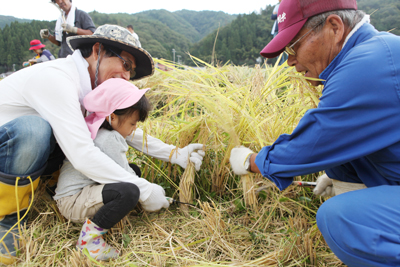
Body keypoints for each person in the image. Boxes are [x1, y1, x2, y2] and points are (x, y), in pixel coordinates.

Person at [0, 24, 205, 265]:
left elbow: (121, 127)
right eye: (126, 64)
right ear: (98, 50)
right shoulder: (57, 79)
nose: (127, 77)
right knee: (35, 130)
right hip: (9, 147)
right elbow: (81, 154)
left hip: (26, 158)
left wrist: (174, 154)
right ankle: (7, 217)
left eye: (132, 72)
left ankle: (50, 187)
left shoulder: (93, 91)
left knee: (72, 136)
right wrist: (144, 188)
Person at [229, 0, 400, 265]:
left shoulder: (366, 67)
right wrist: (339, 175)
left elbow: (312, 142)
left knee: (341, 217)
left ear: (334, 27)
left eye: (293, 46)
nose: (290, 61)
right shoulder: (377, 50)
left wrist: (251, 161)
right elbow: (350, 138)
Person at [54, 78, 158, 260]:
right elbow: (125, 178)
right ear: (112, 117)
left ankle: (116, 214)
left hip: (78, 195)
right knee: (130, 191)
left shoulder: (99, 132)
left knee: (134, 172)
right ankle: (89, 241)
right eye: (132, 124)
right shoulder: (108, 139)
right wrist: (153, 194)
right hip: (73, 202)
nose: (134, 129)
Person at [270, 0, 287, 66]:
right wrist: (282, 12)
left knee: (286, 48)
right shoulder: (278, 6)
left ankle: (286, 65)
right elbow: (273, 17)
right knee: (278, 48)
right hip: (277, 29)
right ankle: (280, 65)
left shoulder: (287, 6)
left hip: (285, 28)